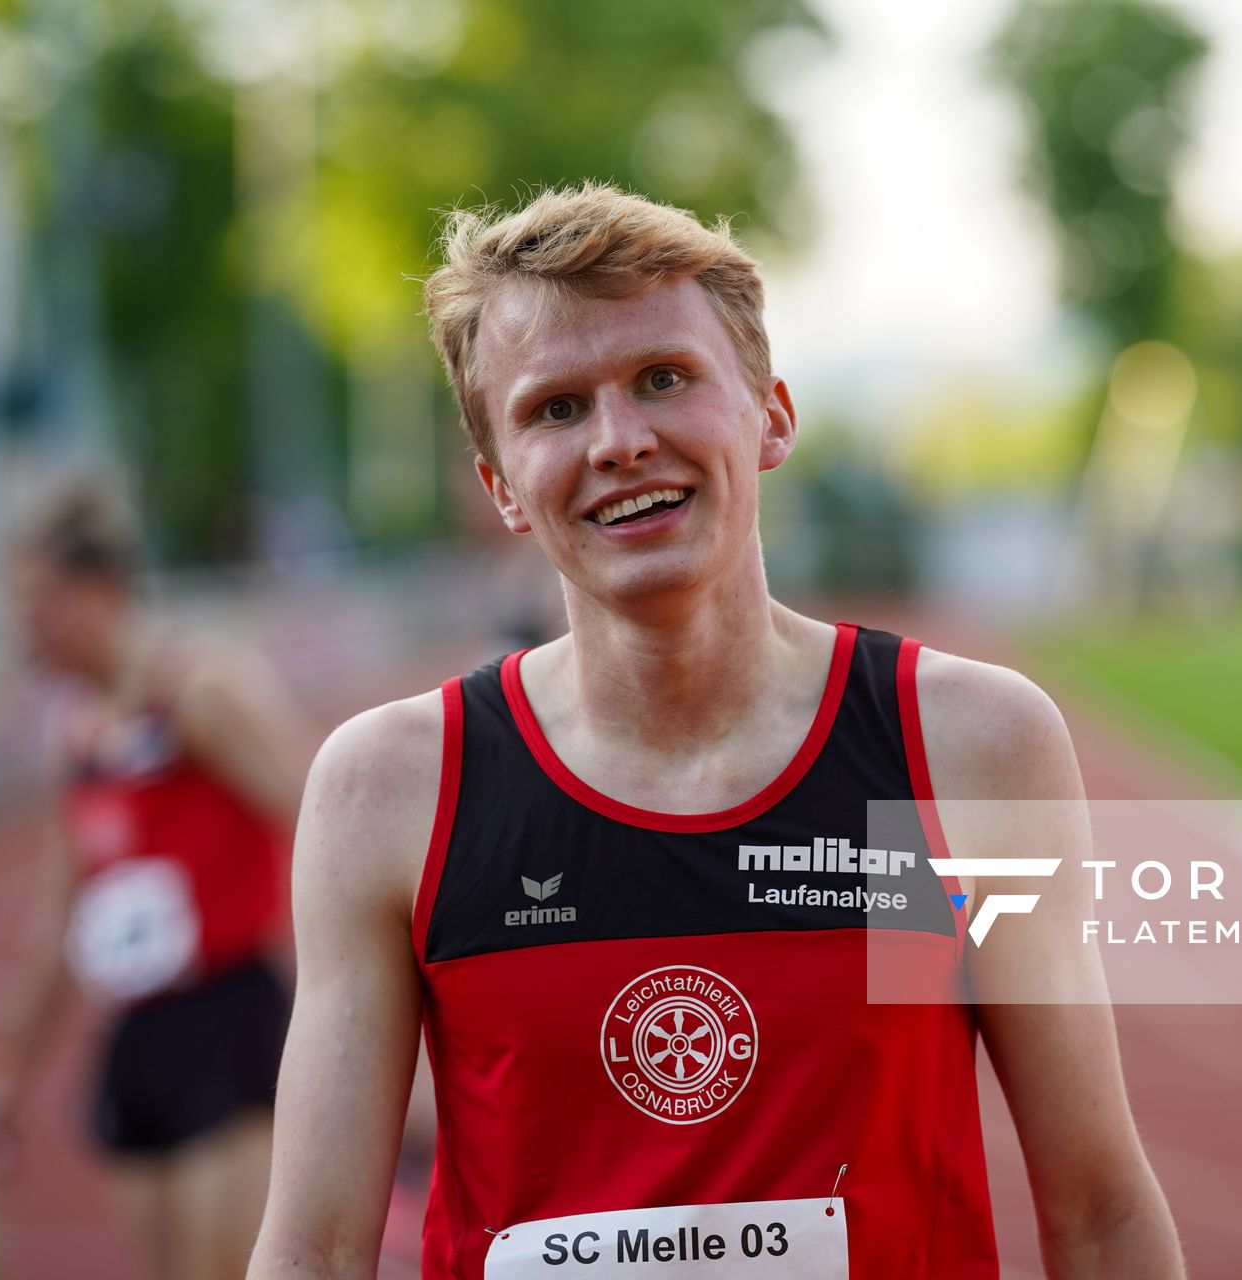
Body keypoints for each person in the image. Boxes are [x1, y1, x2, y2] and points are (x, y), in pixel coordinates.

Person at [247, 182, 1182, 1278]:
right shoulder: (391, 789)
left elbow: (1100, 1209)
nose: (621, 440)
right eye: (556, 408)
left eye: (664, 378)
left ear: (771, 414)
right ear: (500, 485)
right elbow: (311, 1248)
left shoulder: (962, 748)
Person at [0, 479, 314, 1279]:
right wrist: (7, 1067)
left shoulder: (198, 693)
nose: (25, 631)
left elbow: (321, 815)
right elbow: (58, 924)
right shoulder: (76, 740)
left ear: (100, 588)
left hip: (229, 1020)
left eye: (38, 603)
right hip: (136, 1037)